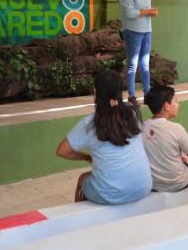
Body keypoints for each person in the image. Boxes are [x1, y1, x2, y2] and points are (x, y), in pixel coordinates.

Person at [55, 69, 152, 204]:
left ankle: (82, 216)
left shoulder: (90, 123)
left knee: (83, 179)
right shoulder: (132, 113)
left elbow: (62, 151)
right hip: (143, 187)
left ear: (96, 92)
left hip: (111, 195)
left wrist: (86, 157)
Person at [142, 86, 188, 192]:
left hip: (152, 183)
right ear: (167, 106)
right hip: (177, 183)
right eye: (176, 101)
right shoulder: (176, 129)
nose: (178, 104)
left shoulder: (142, 127)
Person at [118, 0, 158, 106]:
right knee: (133, 64)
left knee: (145, 64)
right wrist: (148, 12)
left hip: (146, 30)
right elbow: (129, 13)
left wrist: (151, 11)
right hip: (133, 31)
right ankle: (132, 96)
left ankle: (148, 94)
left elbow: (144, 10)